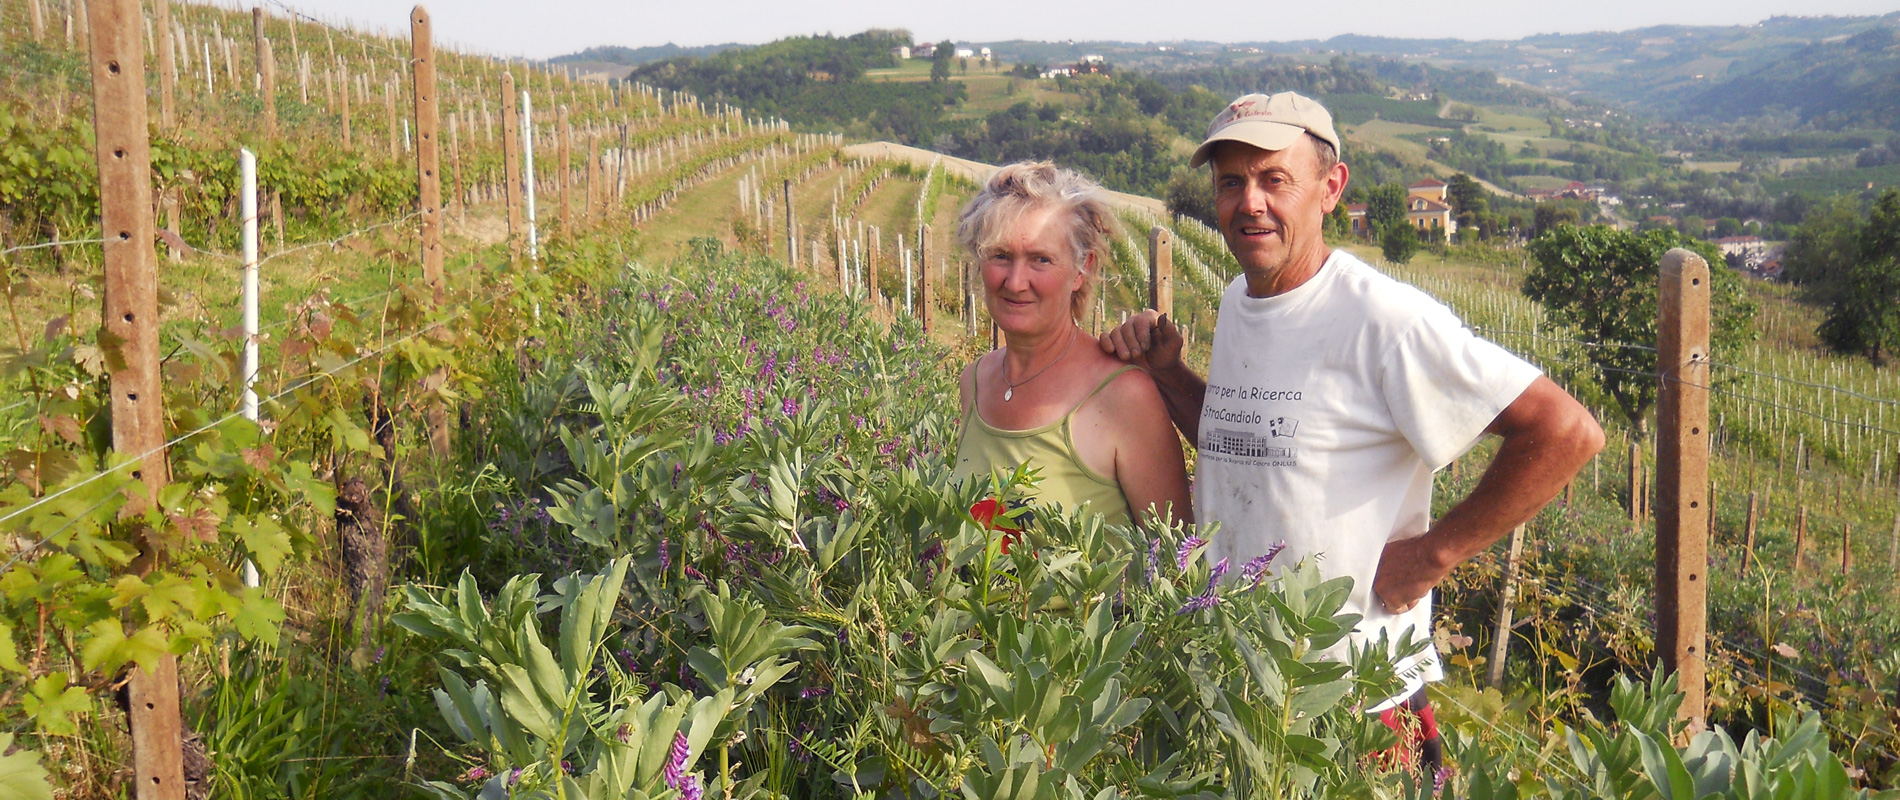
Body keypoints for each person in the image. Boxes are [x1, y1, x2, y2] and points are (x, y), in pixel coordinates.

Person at [1099, 92, 1604, 774]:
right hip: (1240, 687)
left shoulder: (1383, 320)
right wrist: (1170, 375)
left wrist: (1435, 554)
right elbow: (1247, 439)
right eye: (1231, 183)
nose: (1250, 202)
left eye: (1275, 179)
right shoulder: (1241, 300)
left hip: (1350, 700)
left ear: (1329, 188)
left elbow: (1567, 430)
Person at [950, 161, 1192, 528]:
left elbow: (1178, 563)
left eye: (1040, 260)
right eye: (1000, 255)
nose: (1015, 282)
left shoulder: (1124, 396)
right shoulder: (974, 382)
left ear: (1082, 269)